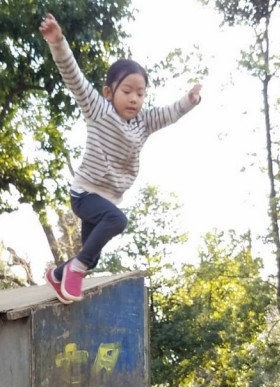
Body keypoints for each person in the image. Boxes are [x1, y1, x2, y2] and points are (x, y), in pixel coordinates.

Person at [39, 14, 202, 303]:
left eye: (140, 94)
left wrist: (188, 102)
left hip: (107, 199)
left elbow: (169, 113)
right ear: (108, 92)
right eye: (127, 91)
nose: (134, 99)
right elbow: (73, 76)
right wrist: (57, 42)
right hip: (85, 193)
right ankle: (75, 267)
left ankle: (60, 274)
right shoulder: (98, 109)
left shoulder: (145, 122)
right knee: (116, 220)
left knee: (93, 257)